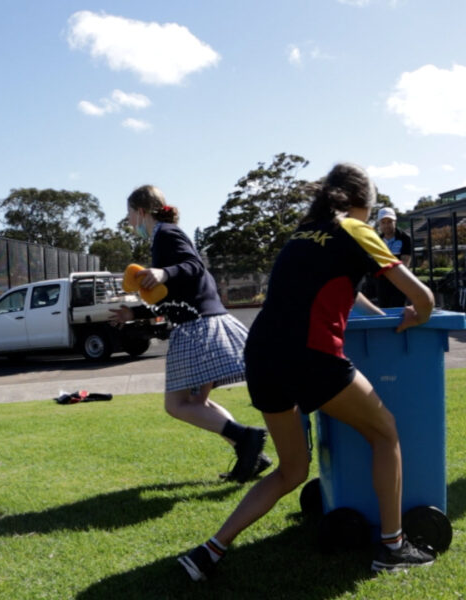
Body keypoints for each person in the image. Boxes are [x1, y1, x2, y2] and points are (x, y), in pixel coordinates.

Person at [178, 163, 435, 580]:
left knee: (292, 470)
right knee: (385, 432)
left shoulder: (300, 234)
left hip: (260, 355)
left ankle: (209, 551)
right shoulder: (355, 229)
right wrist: (416, 315)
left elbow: (337, 294)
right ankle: (393, 546)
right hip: (310, 356)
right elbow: (422, 297)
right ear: (363, 203)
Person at [109, 185, 270, 483]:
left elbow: (194, 266)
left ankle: (247, 438)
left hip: (198, 328)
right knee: (197, 404)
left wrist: (163, 273)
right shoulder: (163, 237)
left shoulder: (167, 234)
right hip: (202, 323)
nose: (130, 222)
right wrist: (135, 313)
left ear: (141, 211)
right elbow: (172, 298)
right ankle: (251, 455)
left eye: (130, 214)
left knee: (177, 405)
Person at [376, 207, 412, 308]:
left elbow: (405, 262)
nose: (386, 225)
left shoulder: (405, 238)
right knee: (383, 310)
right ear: (379, 224)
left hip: (401, 282)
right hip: (382, 282)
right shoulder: (377, 240)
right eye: (383, 222)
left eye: (389, 221)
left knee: (398, 309)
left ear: (395, 221)